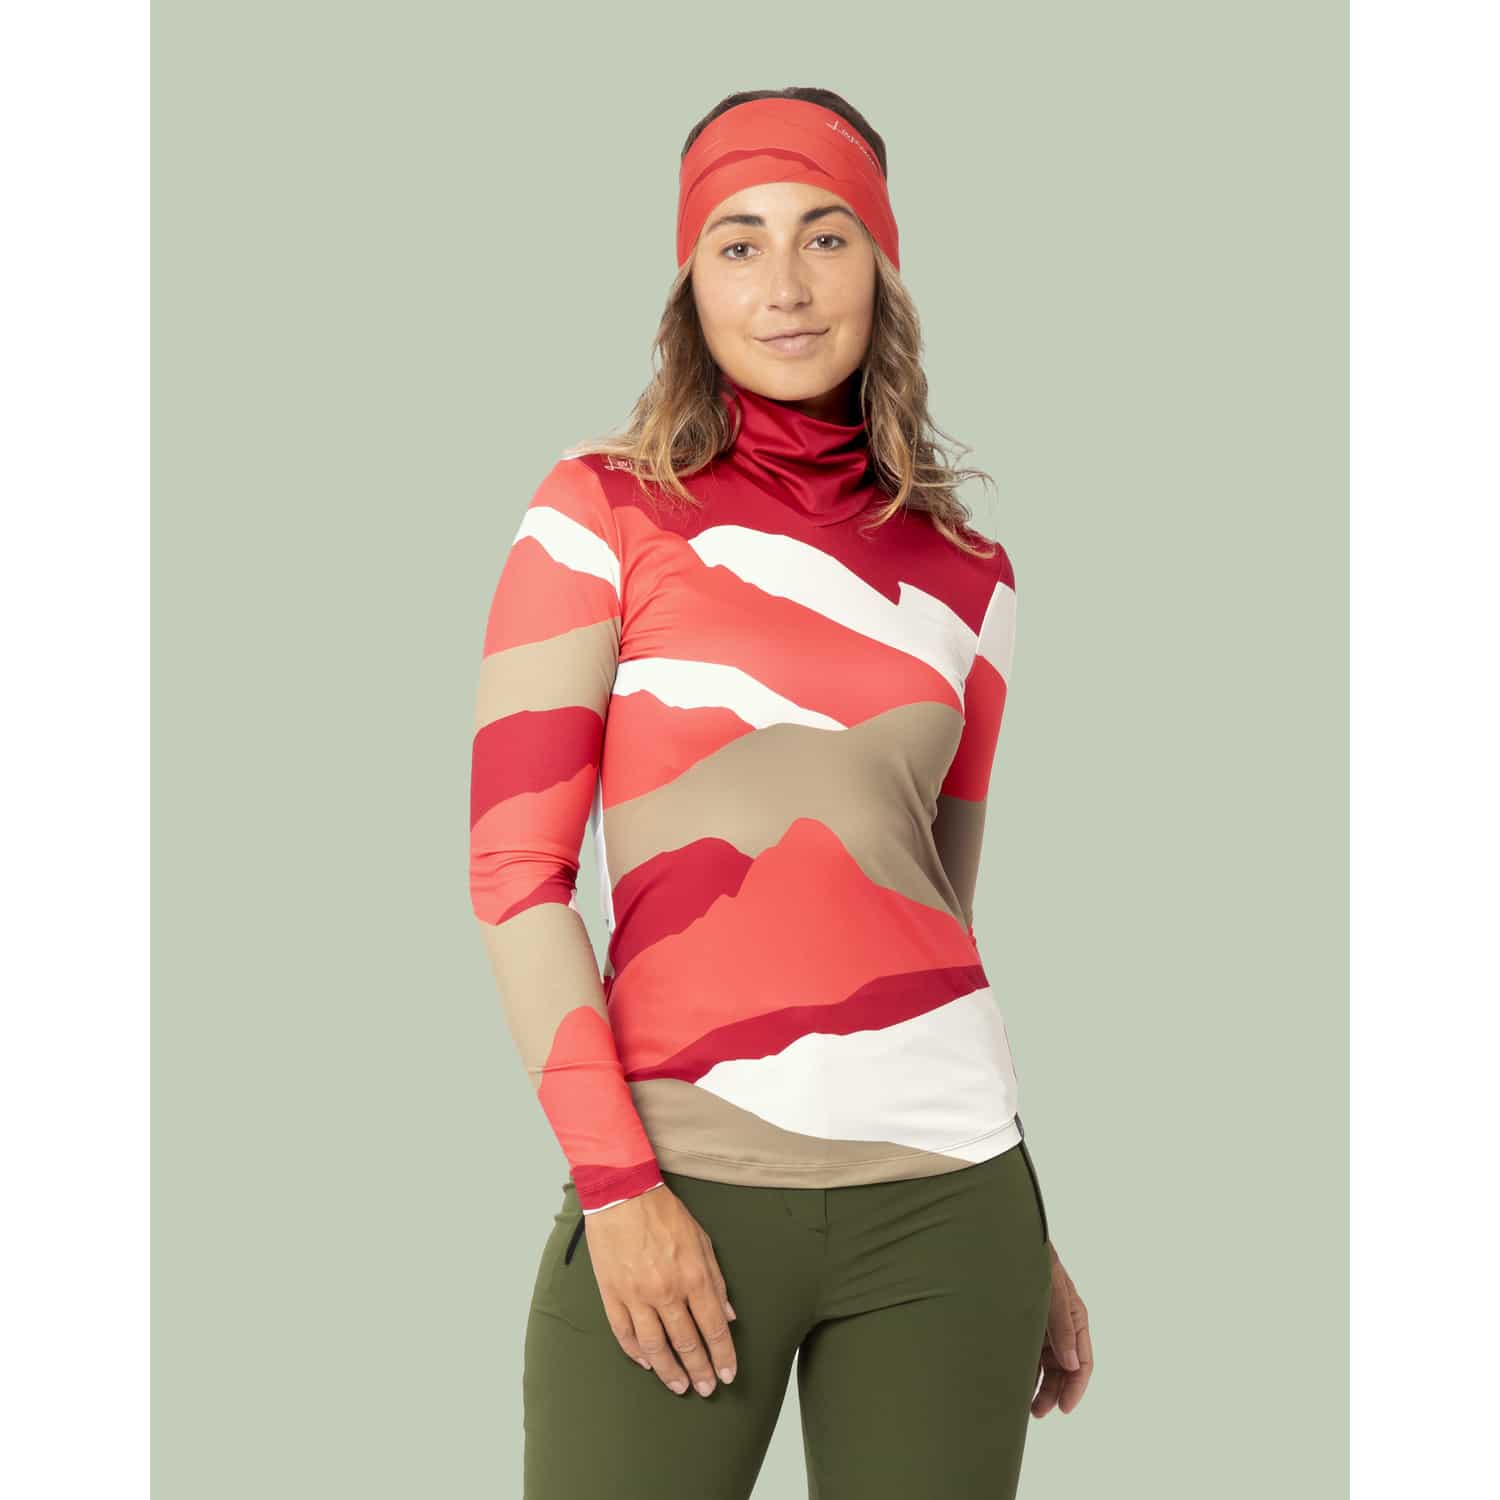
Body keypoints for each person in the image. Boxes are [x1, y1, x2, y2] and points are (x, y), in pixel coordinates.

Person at [468, 87, 1093, 1498]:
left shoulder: (970, 578)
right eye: (738, 243)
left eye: (825, 235)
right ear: (691, 283)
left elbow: (931, 910)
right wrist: (620, 1187)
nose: (786, 285)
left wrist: (1024, 1221)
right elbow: (515, 879)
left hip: (952, 1205)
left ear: (882, 264)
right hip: (681, 1179)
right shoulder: (600, 514)